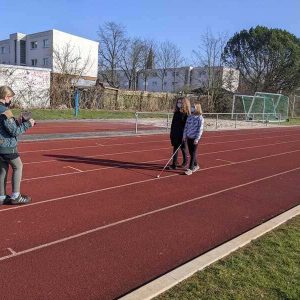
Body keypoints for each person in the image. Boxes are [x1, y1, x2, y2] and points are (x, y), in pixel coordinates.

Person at [0, 86, 35, 205]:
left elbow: (5, 127)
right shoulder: (5, 111)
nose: (11, 100)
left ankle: (1, 196)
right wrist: (27, 124)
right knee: (18, 166)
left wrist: (17, 122)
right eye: (10, 98)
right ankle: (16, 196)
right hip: (7, 147)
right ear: (6, 97)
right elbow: (14, 131)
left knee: (3, 170)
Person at [167, 97, 190, 170]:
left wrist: (184, 135)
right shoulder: (176, 113)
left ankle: (185, 161)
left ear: (184, 104)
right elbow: (173, 123)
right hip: (175, 133)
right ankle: (174, 163)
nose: (178, 104)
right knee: (175, 148)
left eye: (180, 102)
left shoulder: (186, 114)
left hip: (182, 134)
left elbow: (186, 126)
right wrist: (171, 133)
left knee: (183, 148)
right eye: (178, 102)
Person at [183, 103, 204, 175]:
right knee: (191, 153)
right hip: (189, 137)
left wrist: (197, 139)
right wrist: (184, 135)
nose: (192, 108)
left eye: (193, 107)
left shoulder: (200, 118)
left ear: (197, 108)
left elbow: (200, 129)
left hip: (194, 138)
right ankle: (196, 165)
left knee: (193, 153)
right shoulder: (190, 116)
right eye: (192, 106)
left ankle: (190, 169)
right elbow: (186, 126)